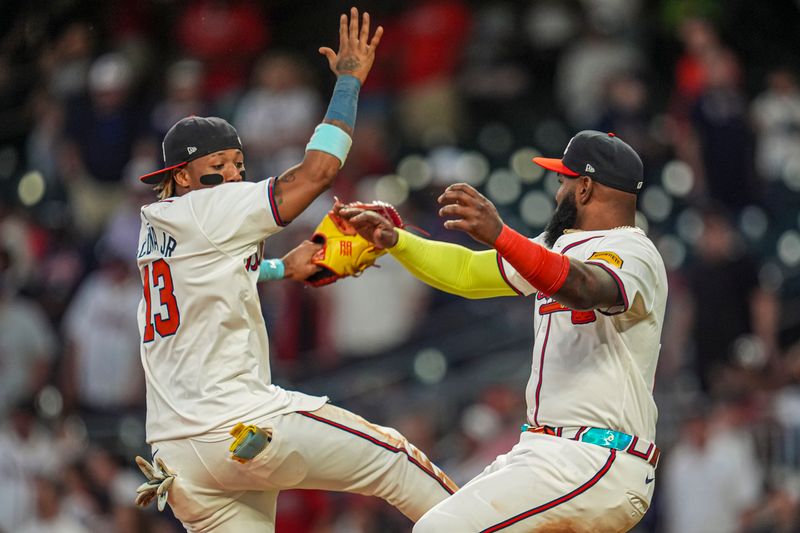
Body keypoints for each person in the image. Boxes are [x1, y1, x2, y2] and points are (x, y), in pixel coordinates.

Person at [133, 9, 455, 532]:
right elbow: (320, 172)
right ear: (183, 176)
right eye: (218, 163)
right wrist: (349, 82)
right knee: (395, 460)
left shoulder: (154, 235)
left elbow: (206, 284)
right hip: (239, 423)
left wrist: (281, 267)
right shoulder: (210, 207)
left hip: (178, 458)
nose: (233, 173)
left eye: (238, 162)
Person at [340, 130, 668, 531]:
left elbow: (584, 288)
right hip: (552, 452)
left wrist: (501, 234)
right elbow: (467, 272)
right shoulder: (557, 248)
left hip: (592, 456)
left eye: (562, 180)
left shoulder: (635, 251)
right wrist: (397, 242)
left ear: (584, 188)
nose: (557, 191)